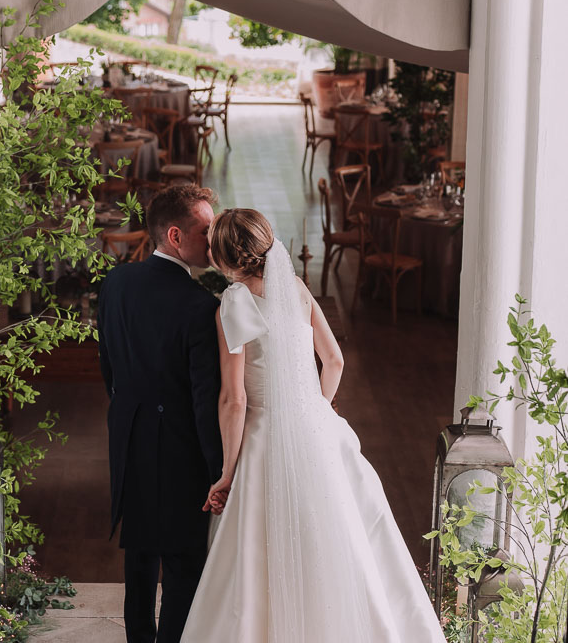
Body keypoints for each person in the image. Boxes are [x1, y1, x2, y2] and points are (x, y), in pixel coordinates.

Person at [181, 208, 447, 643]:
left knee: (261, 551)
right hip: (318, 429)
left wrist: (227, 472)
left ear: (226, 257)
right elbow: (335, 361)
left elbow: (234, 399)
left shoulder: (233, 303)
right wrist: (313, 409)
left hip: (265, 436)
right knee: (339, 536)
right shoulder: (298, 291)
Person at [97, 184, 223, 643]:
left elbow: (108, 365)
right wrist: (218, 470)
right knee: (184, 568)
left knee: (140, 559)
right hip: (180, 452)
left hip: (128, 437)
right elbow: (204, 398)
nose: (214, 240)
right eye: (206, 231)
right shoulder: (200, 306)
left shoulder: (115, 283)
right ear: (175, 235)